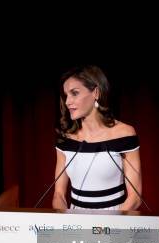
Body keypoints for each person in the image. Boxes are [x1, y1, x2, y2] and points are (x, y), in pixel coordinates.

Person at [52, 65, 142, 211]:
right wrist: (65, 223)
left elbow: (135, 197)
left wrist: (108, 229)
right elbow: (59, 195)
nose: (68, 101)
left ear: (96, 92)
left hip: (114, 227)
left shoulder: (124, 134)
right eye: (66, 95)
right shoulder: (65, 139)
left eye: (74, 93)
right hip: (77, 228)